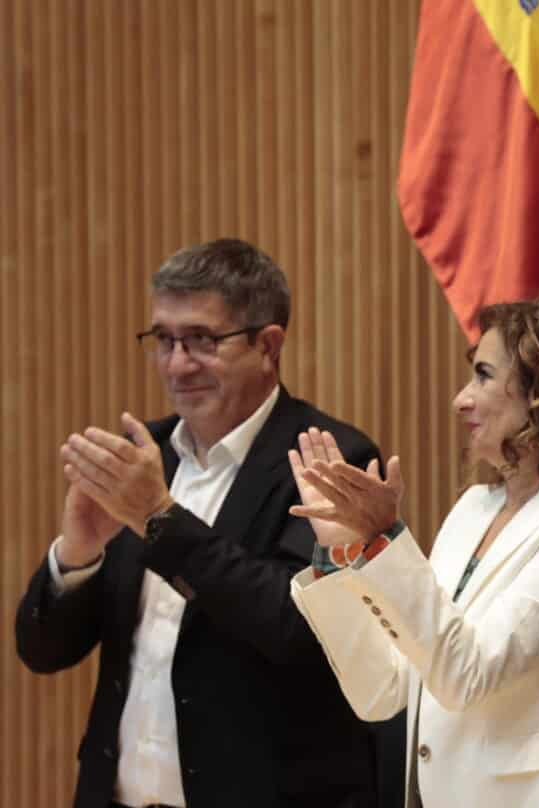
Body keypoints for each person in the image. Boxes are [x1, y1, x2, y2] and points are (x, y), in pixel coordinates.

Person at [14, 239, 387, 808]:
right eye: (163, 339)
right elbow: (43, 652)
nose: (176, 363)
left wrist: (159, 518)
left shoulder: (330, 459)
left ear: (268, 344)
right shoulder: (147, 457)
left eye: (202, 341)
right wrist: (78, 556)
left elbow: (297, 630)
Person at [287, 298, 539, 808]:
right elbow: (383, 691)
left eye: (484, 376)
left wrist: (385, 540)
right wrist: (339, 553)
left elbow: (469, 673)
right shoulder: (472, 509)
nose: (461, 400)